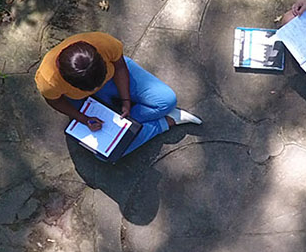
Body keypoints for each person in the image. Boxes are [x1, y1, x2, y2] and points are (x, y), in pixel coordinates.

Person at [36, 31, 200, 157]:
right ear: (68, 82)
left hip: (113, 79)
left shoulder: (103, 43)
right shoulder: (48, 81)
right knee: (104, 154)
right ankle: (166, 122)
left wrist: (126, 99)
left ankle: (123, 126)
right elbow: (56, 102)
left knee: (167, 100)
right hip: (84, 100)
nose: (96, 88)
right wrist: (83, 119)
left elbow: (120, 67)